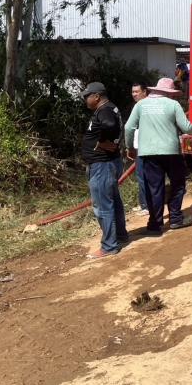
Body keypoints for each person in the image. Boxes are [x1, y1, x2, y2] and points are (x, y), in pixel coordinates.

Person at [125, 77, 192, 235]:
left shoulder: (141, 105)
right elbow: (186, 127)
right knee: (178, 184)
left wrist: (130, 147)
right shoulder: (173, 104)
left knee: (155, 188)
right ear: (169, 92)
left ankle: (155, 225)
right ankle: (175, 219)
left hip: (148, 154)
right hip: (171, 153)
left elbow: (128, 127)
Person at [81, 81, 128, 258]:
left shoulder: (104, 111)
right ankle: (121, 235)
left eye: (87, 96)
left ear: (97, 97)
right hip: (108, 163)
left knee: (103, 205)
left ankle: (109, 246)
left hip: (102, 165)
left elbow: (109, 124)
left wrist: (102, 142)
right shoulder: (110, 108)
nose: (85, 99)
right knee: (114, 201)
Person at [129, 82, 149, 216]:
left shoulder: (145, 106)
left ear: (145, 92)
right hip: (139, 146)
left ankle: (146, 206)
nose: (134, 94)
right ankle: (143, 204)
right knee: (141, 176)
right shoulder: (137, 106)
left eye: (137, 91)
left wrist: (128, 146)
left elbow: (129, 128)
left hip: (145, 147)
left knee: (144, 177)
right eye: (133, 92)